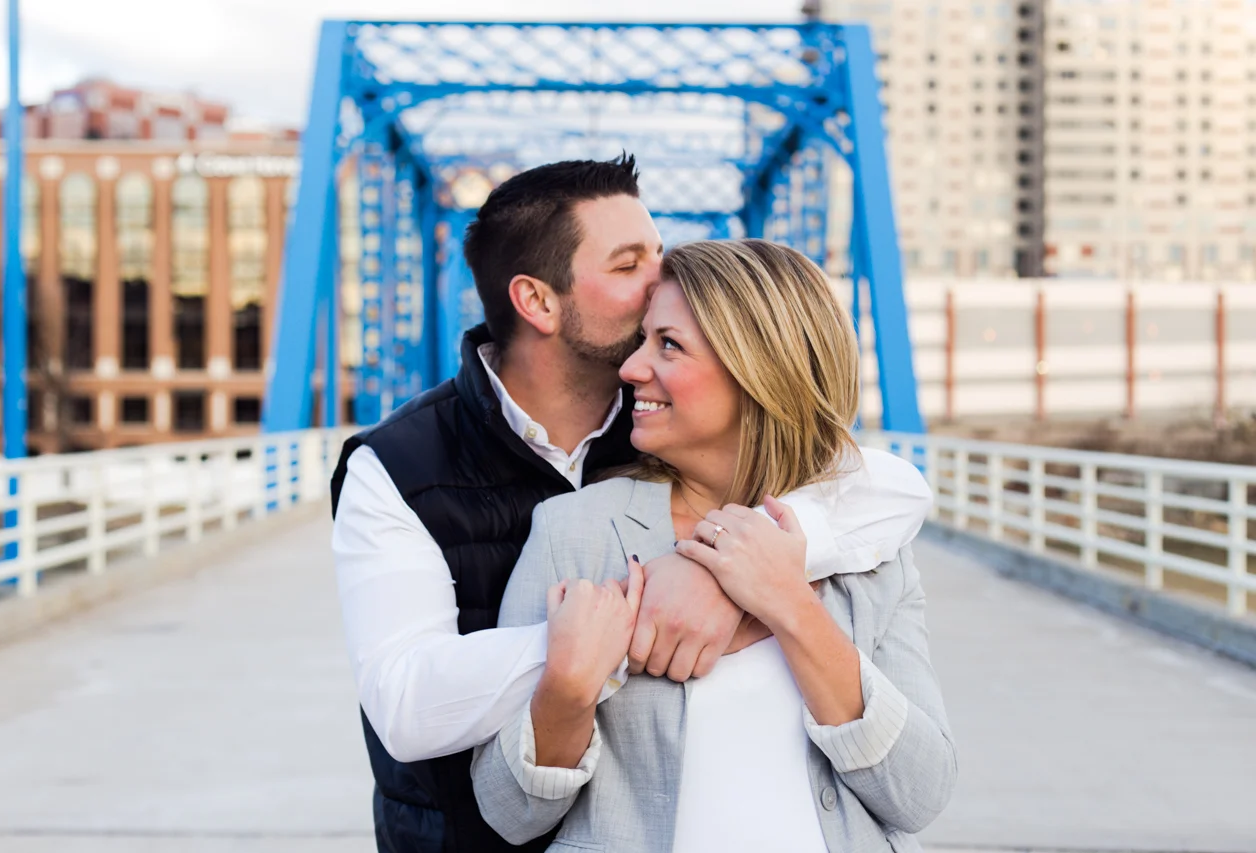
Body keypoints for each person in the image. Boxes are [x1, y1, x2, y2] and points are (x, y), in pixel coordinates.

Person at [330, 158, 934, 853]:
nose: (660, 277)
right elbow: (405, 706)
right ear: (538, 301)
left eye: (659, 251)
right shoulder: (399, 466)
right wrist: (615, 626)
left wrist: (724, 571)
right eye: (628, 264)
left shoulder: (668, 420)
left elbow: (887, 485)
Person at [472, 239, 957, 853]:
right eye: (641, 339)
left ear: (760, 367)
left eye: (668, 344)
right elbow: (507, 813)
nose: (630, 368)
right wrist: (567, 690)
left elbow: (920, 796)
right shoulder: (576, 531)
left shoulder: (865, 548)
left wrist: (789, 605)